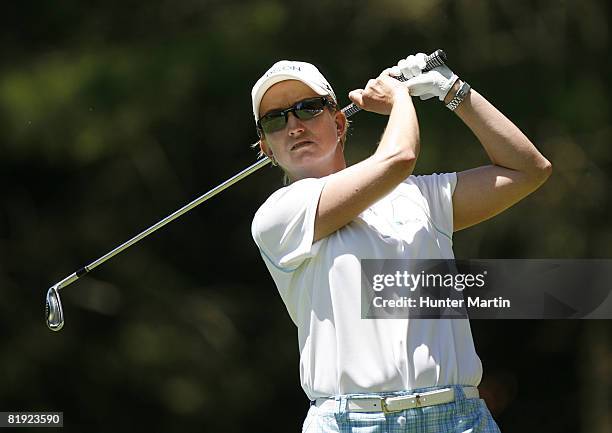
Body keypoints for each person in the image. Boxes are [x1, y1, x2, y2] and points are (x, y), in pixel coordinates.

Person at [249, 54, 552, 433]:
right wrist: (400, 98)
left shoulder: (421, 197)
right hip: (349, 423)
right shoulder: (278, 215)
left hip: (458, 418)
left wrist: (453, 91)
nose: (294, 126)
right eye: (276, 118)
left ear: (339, 122)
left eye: (308, 109)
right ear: (265, 147)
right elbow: (400, 157)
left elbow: (527, 170)